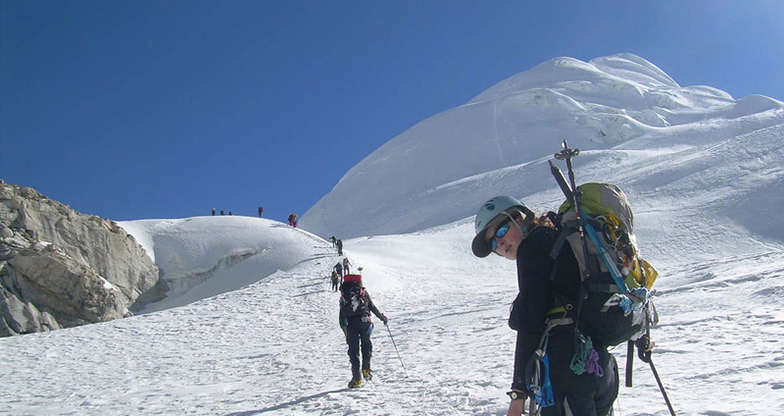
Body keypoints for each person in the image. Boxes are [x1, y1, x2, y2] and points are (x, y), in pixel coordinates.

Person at [471, 196, 619, 416]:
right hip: (600, 366)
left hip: (567, 369)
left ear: (520, 218)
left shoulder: (532, 247)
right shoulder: (558, 239)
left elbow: (530, 322)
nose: (499, 244)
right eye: (493, 244)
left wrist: (518, 393)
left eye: (500, 231)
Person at [339, 273, 388, 388]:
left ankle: (357, 379)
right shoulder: (363, 293)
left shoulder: (344, 294)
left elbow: (342, 314)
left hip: (351, 324)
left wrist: (344, 329)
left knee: (353, 350)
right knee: (366, 345)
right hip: (365, 321)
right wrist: (382, 318)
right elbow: (372, 306)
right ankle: (366, 370)